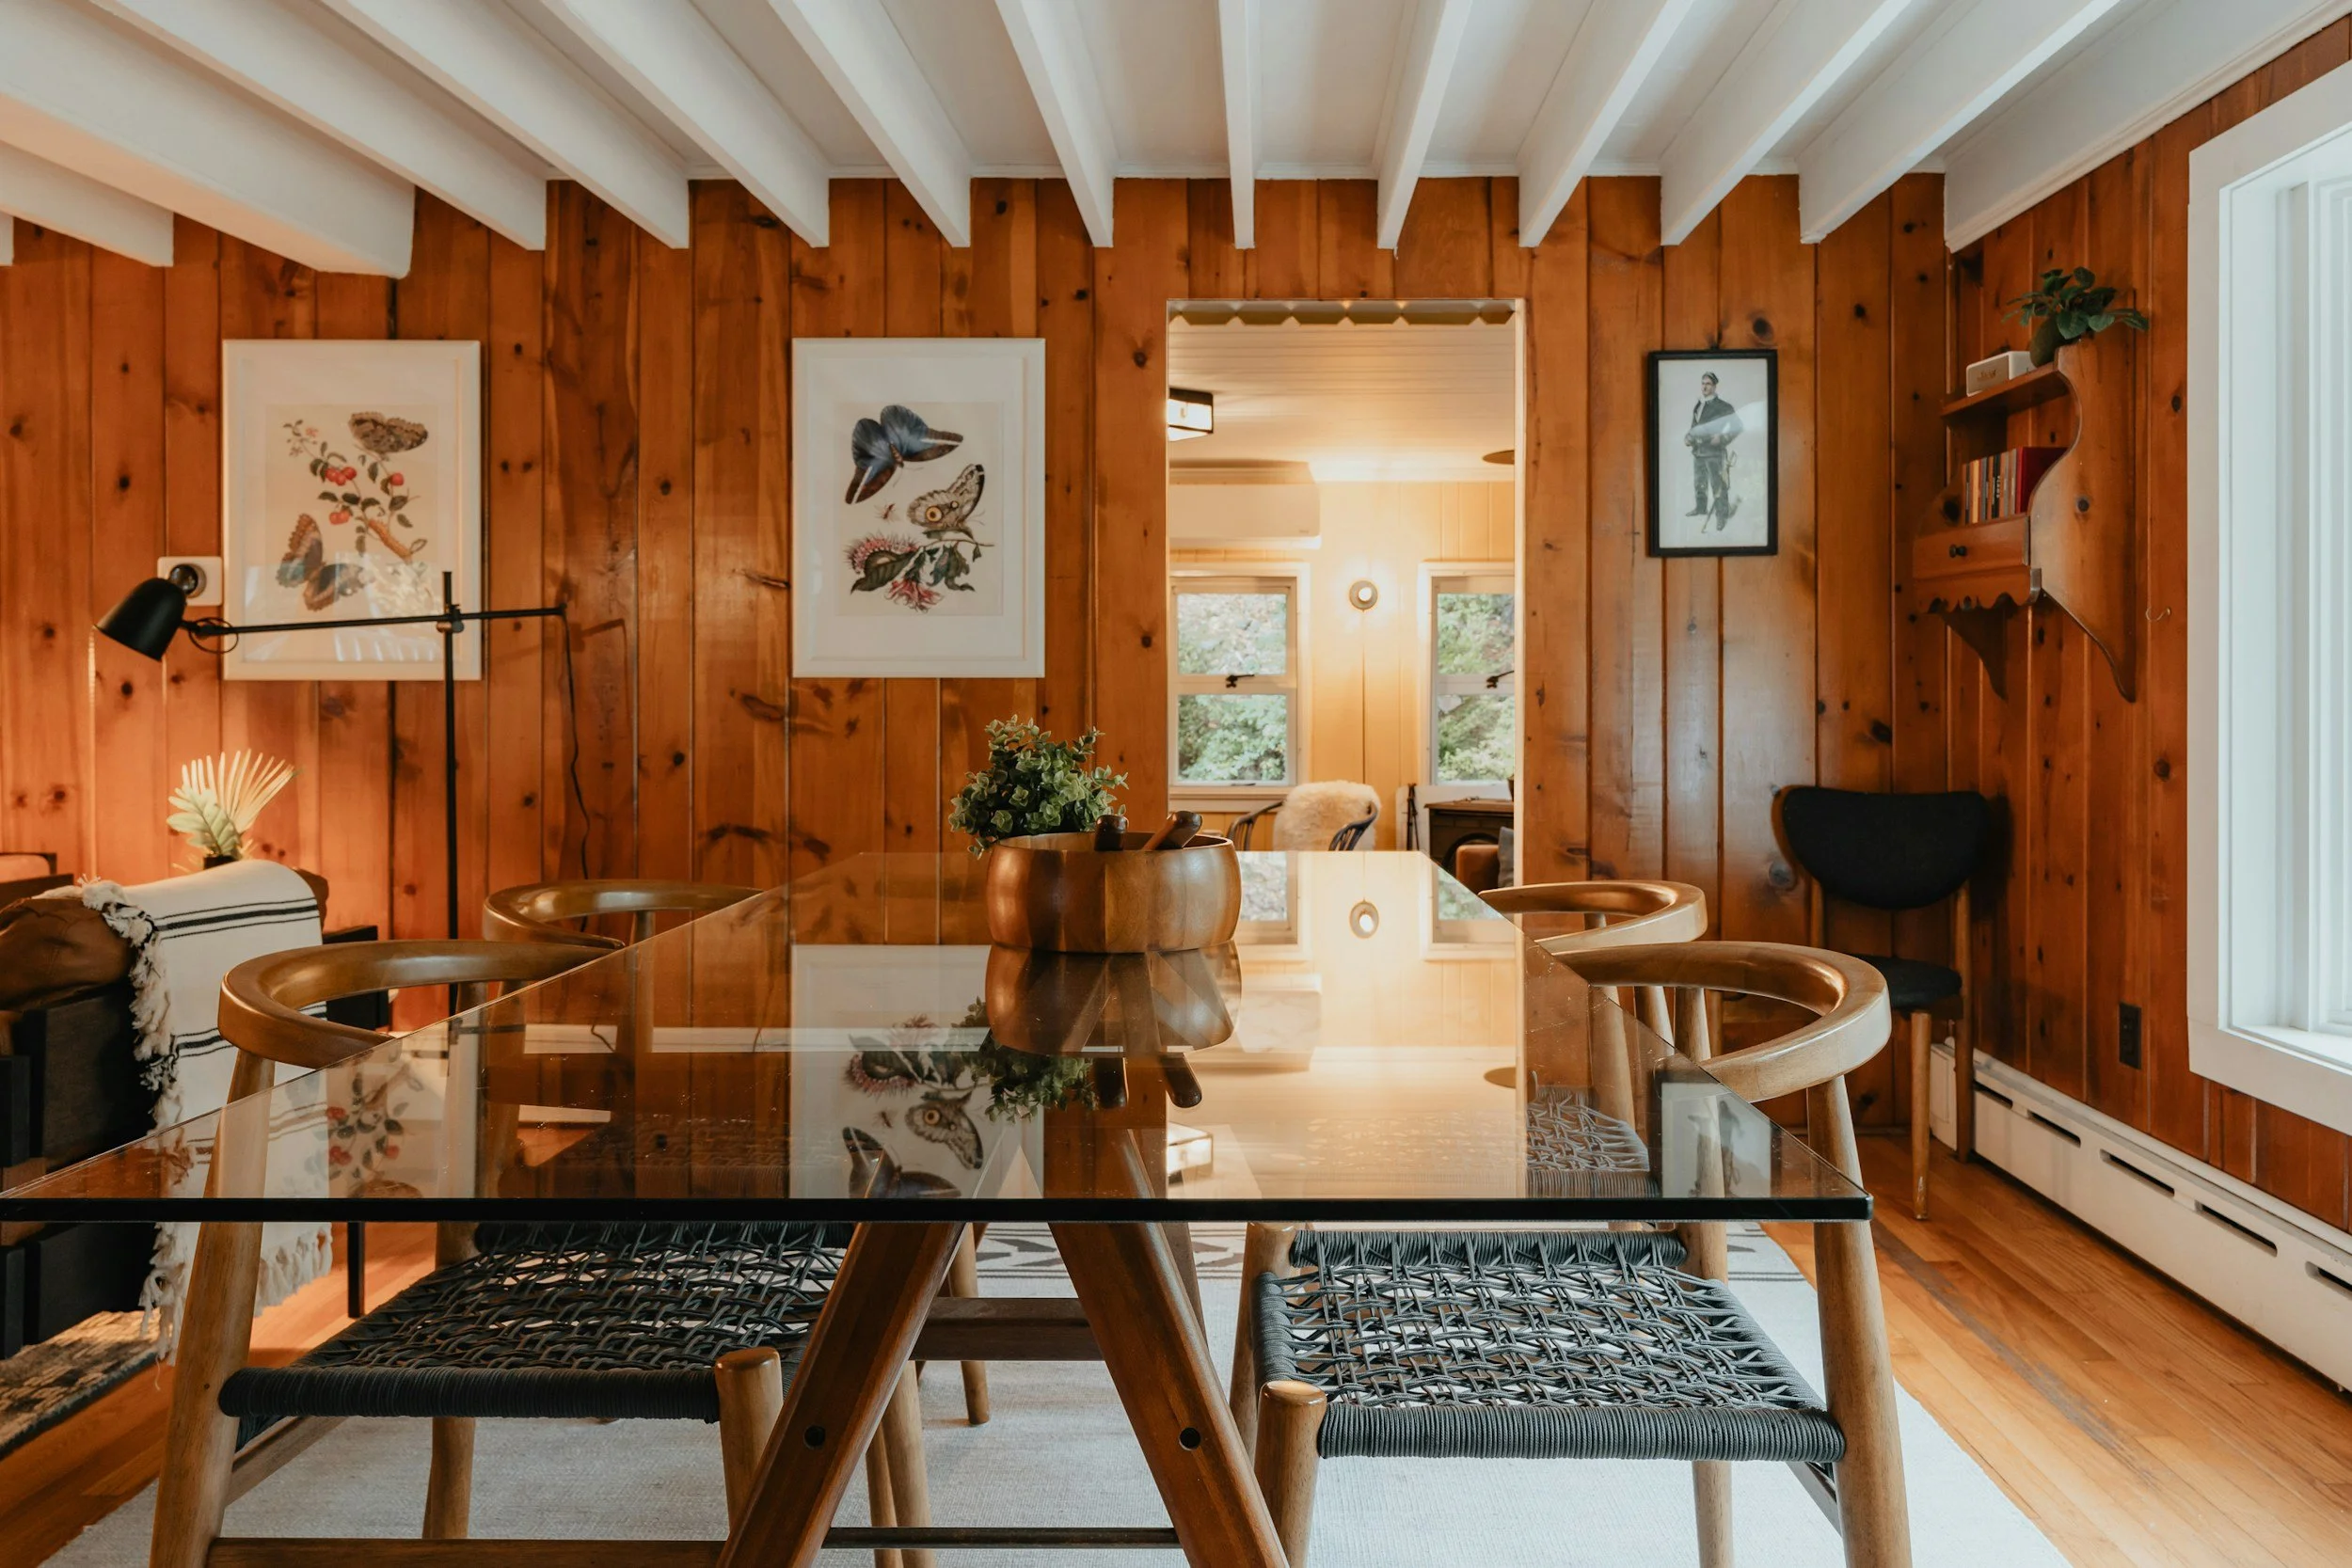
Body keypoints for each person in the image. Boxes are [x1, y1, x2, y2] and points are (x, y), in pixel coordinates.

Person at [1683, 372, 1742, 529]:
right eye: (1703, 383)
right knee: (1699, 483)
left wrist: (1722, 439)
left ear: (1715, 386)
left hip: (1714, 453)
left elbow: (1738, 426)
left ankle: (1721, 516)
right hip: (1698, 452)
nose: (1704, 386)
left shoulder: (1724, 406)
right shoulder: (1699, 405)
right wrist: (1689, 437)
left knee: (1718, 486)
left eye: (1708, 384)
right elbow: (1695, 427)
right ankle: (1701, 508)